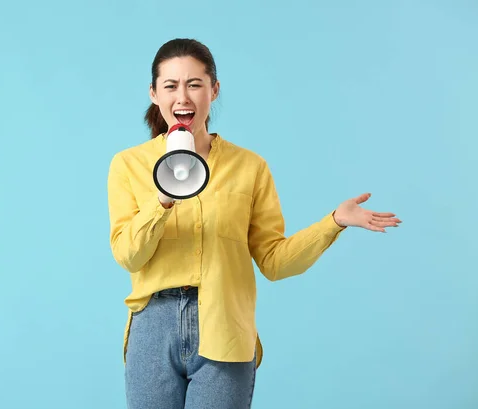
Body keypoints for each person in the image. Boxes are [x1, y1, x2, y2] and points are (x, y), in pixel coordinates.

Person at [107, 38, 401, 409]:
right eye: (171, 85)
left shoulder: (250, 167)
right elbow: (128, 256)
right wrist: (163, 197)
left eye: (195, 84)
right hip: (153, 327)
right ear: (154, 93)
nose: (183, 96)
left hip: (225, 325)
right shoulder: (127, 165)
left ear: (213, 89)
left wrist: (334, 222)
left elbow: (275, 262)